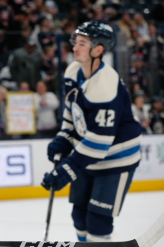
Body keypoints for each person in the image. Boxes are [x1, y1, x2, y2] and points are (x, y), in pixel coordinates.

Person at [41, 21, 142, 242]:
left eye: (83, 43)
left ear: (98, 50)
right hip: (88, 155)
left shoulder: (106, 84)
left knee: (98, 220)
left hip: (116, 158)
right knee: (79, 216)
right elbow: (72, 114)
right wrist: (64, 138)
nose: (75, 48)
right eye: (75, 42)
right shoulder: (73, 71)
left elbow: (99, 141)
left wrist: (67, 169)